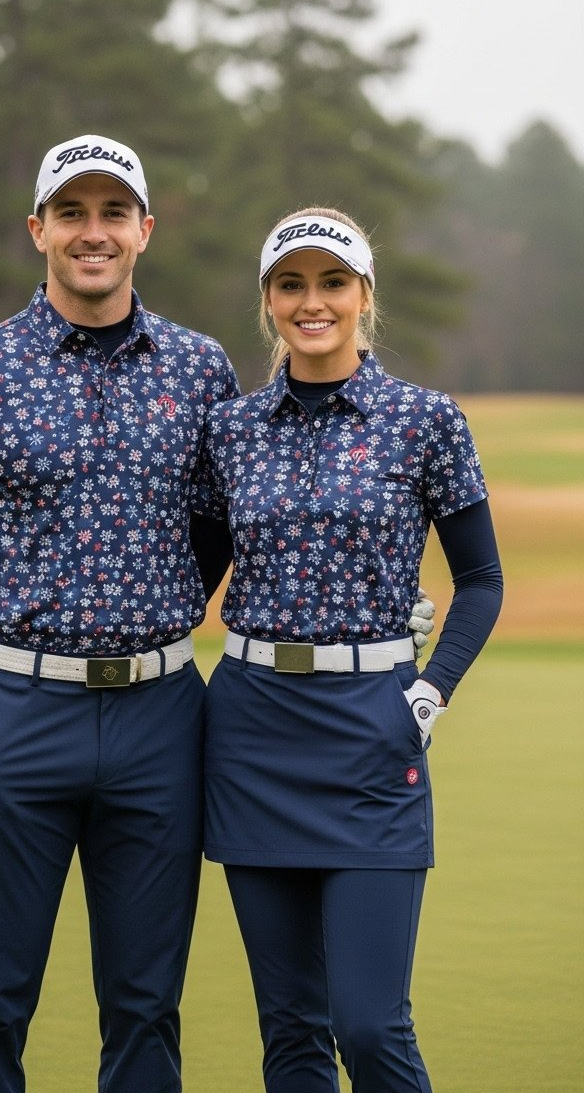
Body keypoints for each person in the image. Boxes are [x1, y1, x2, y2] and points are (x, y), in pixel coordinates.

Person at [0, 135, 240, 1093]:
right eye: (74, 214)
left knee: (144, 1011)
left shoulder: (202, 372)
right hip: (11, 712)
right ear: (38, 228)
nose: (94, 234)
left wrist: (154, 607)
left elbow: (218, 530)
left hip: (162, 719)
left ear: (145, 232)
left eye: (113, 214)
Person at [198, 206, 503, 1093]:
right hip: (252, 730)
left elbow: (481, 580)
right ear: (269, 302)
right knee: (292, 1032)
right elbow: (190, 573)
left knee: (370, 1028)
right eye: (291, 285)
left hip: (372, 729)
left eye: (332, 282)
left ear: (364, 295)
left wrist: (431, 689)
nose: (312, 301)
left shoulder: (425, 422)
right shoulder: (232, 430)